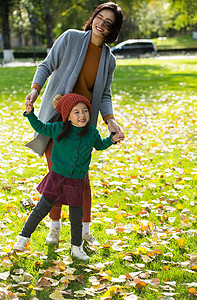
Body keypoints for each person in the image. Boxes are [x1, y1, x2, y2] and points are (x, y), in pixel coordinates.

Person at [24, 2, 125, 246]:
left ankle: (84, 231)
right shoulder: (71, 38)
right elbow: (46, 65)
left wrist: (110, 120)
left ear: (113, 30)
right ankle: (55, 228)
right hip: (59, 119)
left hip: (82, 123)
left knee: (81, 178)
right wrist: (35, 90)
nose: (101, 24)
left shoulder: (108, 60)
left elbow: (104, 95)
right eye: (99, 17)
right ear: (93, 18)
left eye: (108, 22)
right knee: (57, 174)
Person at [13, 93, 121, 260]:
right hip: (57, 179)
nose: (82, 115)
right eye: (76, 112)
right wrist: (30, 113)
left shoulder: (91, 132)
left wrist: (112, 139)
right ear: (68, 116)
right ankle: (23, 238)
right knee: (40, 209)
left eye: (85, 111)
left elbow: (100, 145)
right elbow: (40, 127)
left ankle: (76, 247)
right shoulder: (58, 128)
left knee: (76, 217)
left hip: (77, 182)